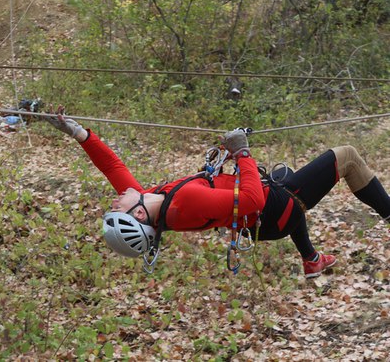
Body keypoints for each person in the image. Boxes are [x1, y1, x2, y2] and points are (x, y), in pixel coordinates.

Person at [44, 107, 390, 278]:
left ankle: (311, 260)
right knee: (345, 157)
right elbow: (253, 199)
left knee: (283, 175)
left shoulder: (154, 201)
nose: (114, 200)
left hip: (267, 221)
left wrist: (78, 134)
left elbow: (112, 168)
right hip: (273, 209)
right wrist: (242, 153)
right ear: (136, 215)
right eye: (116, 207)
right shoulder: (184, 202)